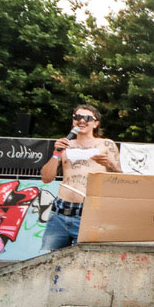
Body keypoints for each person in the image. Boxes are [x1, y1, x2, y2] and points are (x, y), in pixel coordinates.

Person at [40, 104, 121, 251]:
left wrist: (108, 164)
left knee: (85, 259)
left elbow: (120, 178)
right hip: (59, 212)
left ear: (96, 123)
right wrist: (56, 153)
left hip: (89, 212)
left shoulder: (106, 144)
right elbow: (46, 178)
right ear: (73, 121)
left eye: (87, 118)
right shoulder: (66, 145)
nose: (82, 121)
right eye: (78, 117)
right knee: (51, 259)